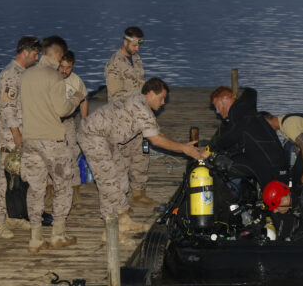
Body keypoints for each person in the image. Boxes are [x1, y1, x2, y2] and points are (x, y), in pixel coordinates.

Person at [77, 77, 207, 244]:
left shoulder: (142, 106)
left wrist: (184, 146)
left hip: (107, 138)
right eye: (161, 98)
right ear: (151, 94)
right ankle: (109, 232)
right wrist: (183, 148)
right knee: (108, 182)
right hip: (92, 136)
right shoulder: (141, 108)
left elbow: (158, 135)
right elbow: (156, 140)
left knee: (121, 176)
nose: (163, 102)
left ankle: (123, 220)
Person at [20, 36, 85, 253]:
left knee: (36, 189)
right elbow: (62, 110)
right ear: (58, 55)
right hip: (52, 141)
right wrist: (76, 99)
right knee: (63, 186)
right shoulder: (54, 77)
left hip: (30, 141)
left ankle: (35, 238)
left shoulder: (26, 75)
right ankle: (58, 234)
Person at [0, 36, 40, 240]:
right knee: (6, 179)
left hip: (24, 135)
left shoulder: (23, 73)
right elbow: (7, 108)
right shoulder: (10, 75)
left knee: (20, 178)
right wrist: (16, 135)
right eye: (36, 54)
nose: (37, 58)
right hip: (11, 138)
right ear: (25, 53)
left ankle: (12, 216)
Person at [104, 26, 154, 206]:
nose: (137, 48)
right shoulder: (114, 65)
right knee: (123, 160)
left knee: (142, 155)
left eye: (140, 44)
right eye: (134, 44)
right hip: (123, 120)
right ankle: (121, 200)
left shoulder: (137, 59)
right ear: (125, 41)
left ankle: (139, 193)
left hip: (140, 118)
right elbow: (114, 97)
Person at [209, 86, 289, 191]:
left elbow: (231, 136)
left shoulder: (241, 114)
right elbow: (234, 140)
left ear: (226, 98)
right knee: (225, 165)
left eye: (218, 106)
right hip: (260, 161)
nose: (218, 111)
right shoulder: (242, 112)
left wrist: (211, 148)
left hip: (272, 166)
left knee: (277, 203)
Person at [59, 50, 88, 209]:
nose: (64, 70)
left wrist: (84, 121)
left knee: (72, 155)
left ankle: (75, 191)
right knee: (49, 157)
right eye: (61, 66)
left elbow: (83, 100)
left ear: (73, 66)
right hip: (50, 123)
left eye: (68, 67)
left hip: (68, 122)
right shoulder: (50, 78)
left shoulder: (76, 81)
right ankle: (50, 191)